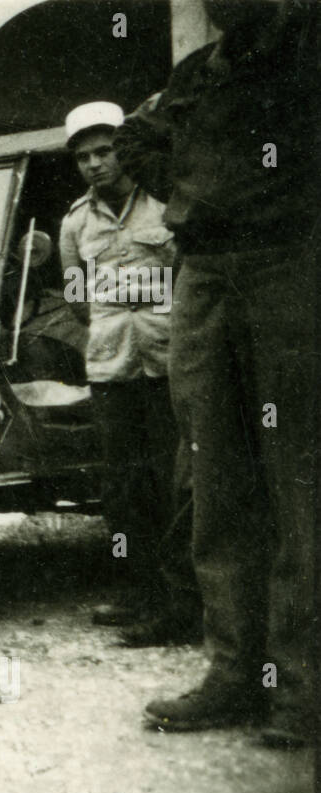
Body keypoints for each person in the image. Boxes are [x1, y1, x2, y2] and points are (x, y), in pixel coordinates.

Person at [115, 0, 320, 749]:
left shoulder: (306, 42)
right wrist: (196, 186)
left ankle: (300, 688)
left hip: (288, 262)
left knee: (297, 480)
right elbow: (138, 138)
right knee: (218, 476)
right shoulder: (196, 72)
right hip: (203, 271)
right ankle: (235, 673)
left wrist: (267, 191)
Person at [57, 101, 201, 648]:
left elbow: (187, 278)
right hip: (112, 368)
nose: (95, 164)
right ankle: (139, 593)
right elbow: (76, 298)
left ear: (125, 149)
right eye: (83, 156)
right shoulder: (75, 222)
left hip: (168, 363)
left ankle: (185, 599)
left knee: (176, 481)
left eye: (105, 150)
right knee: (124, 487)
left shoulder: (165, 201)